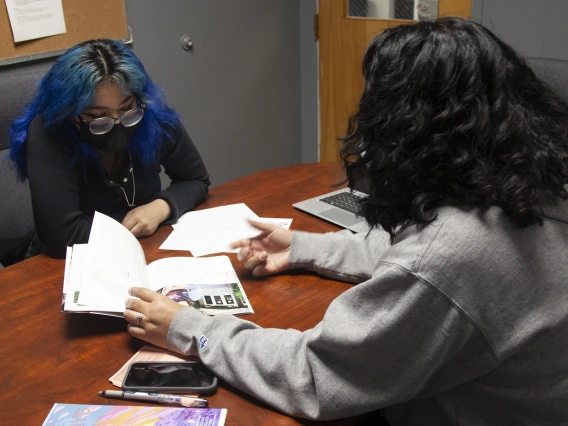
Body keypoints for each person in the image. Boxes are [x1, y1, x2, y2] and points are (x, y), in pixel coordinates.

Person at [124, 17, 568, 425]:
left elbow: (316, 374)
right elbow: (421, 251)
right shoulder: (531, 182)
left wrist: (192, 329)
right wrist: (302, 247)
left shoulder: (453, 255)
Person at [9, 39, 210, 259]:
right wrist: (129, 227)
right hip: (69, 263)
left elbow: (196, 179)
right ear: (67, 112)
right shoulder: (49, 132)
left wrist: (160, 208)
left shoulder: (149, 113)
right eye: (97, 117)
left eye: (126, 109)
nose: (116, 124)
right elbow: (64, 237)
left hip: (144, 248)